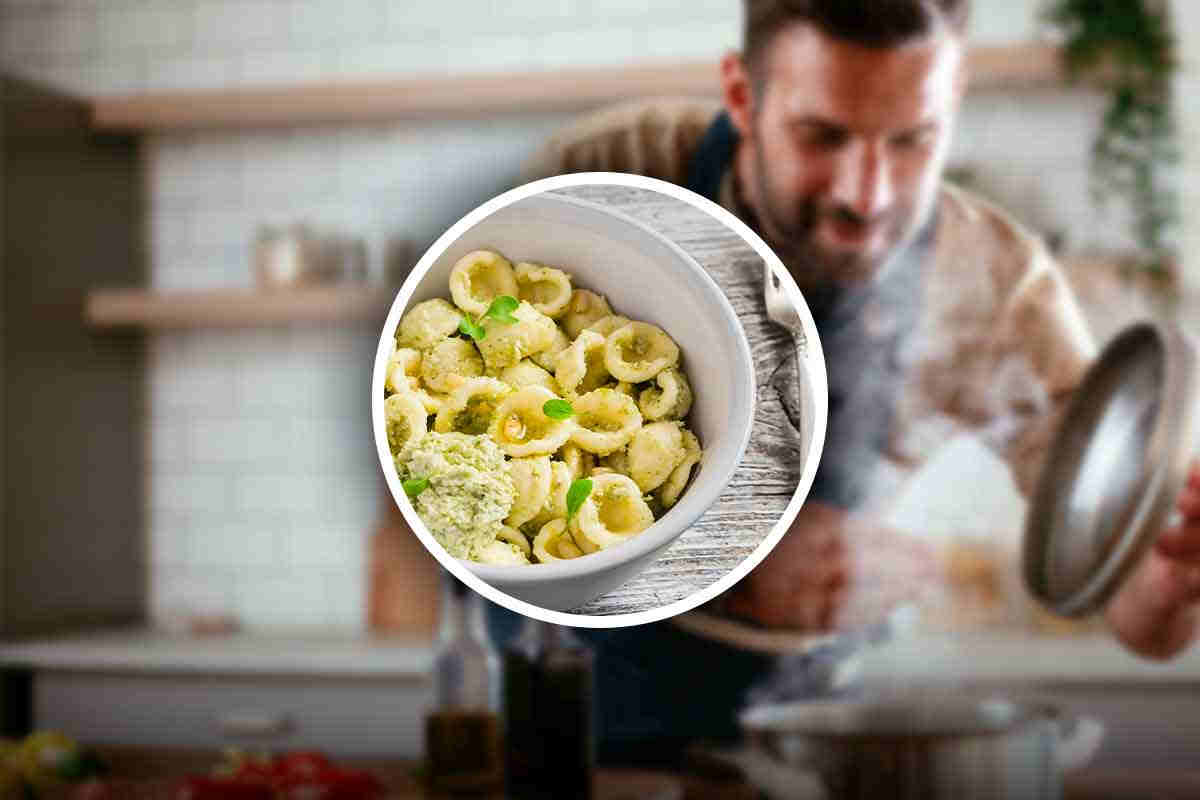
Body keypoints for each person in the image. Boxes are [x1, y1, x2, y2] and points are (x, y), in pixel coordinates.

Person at [486, 0, 1200, 762]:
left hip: (815, 733)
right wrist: (732, 561)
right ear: (741, 95)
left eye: (912, 141)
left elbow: (1126, 601)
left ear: (951, 105)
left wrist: (1165, 578)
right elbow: (473, 453)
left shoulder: (998, 280)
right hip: (570, 718)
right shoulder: (603, 173)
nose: (869, 195)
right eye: (822, 136)